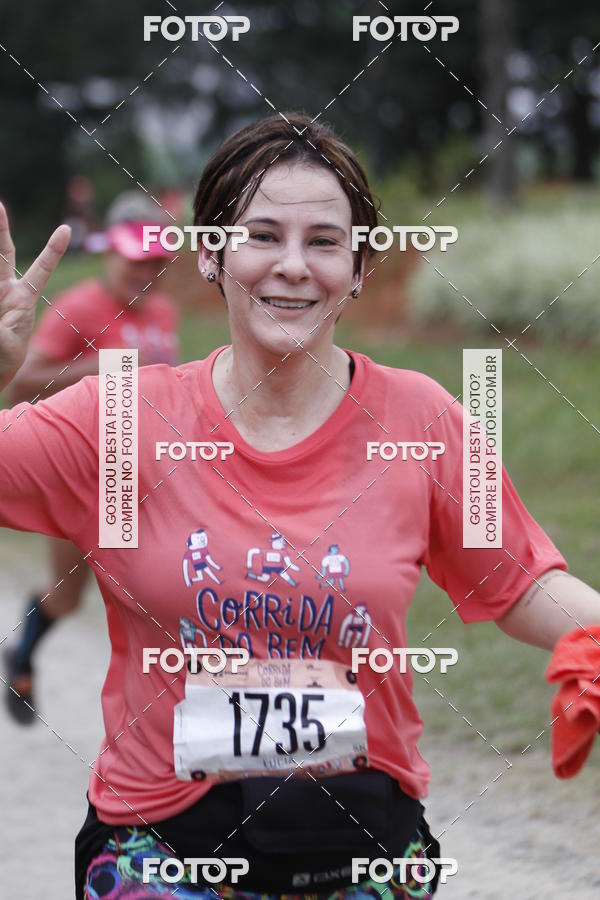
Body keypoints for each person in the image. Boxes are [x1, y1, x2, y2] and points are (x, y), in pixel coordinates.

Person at [0, 112, 599, 900]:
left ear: (358, 268)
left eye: (323, 240)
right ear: (212, 254)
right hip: (159, 853)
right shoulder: (119, 419)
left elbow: (521, 580)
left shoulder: (424, 421)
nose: (293, 266)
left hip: (364, 848)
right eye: (262, 236)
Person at [3, 190, 179, 724]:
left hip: (136, 475)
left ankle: (164, 716)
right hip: (79, 476)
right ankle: (22, 654)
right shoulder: (79, 306)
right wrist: (97, 367)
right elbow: (21, 386)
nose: (144, 271)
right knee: (68, 597)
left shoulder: (163, 311)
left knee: (155, 593)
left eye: (156, 263)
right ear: (110, 252)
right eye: (135, 258)